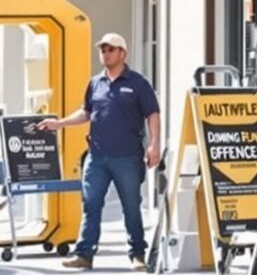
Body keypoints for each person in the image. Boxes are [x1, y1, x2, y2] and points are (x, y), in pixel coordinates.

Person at [33, 33, 162, 271]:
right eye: (102, 50)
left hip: (128, 158)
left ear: (123, 53)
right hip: (97, 157)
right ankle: (84, 254)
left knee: (131, 206)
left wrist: (154, 144)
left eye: (110, 49)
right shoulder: (95, 83)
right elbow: (86, 113)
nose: (105, 53)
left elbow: (152, 113)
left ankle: (137, 254)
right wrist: (59, 123)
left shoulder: (138, 83)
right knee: (90, 204)